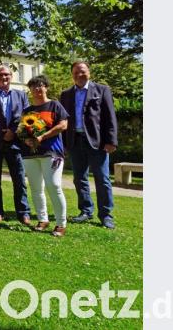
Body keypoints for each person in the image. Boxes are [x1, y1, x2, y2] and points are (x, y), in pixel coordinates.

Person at [60, 61, 118, 229]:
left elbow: (110, 117)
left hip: (97, 143)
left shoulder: (102, 90)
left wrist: (111, 141)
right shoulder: (66, 94)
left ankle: (106, 215)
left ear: (89, 73)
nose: (80, 74)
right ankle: (86, 210)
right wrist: (63, 144)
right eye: (76, 72)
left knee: (103, 179)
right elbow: (63, 120)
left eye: (83, 71)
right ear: (72, 74)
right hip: (75, 141)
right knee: (79, 178)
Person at [0, 64, 32, 225]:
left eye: (7, 75)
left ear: (11, 77)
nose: (4, 78)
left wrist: (13, 132)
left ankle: (23, 213)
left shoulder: (21, 95)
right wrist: (2, 131)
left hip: (15, 143)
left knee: (20, 179)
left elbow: (26, 116)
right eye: (0, 75)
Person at [20, 75, 69, 237]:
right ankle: (43, 219)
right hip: (31, 155)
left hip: (52, 152)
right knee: (36, 188)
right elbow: (21, 130)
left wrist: (43, 136)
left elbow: (63, 125)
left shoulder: (55, 105)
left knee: (53, 186)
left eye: (40, 86)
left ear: (46, 87)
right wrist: (26, 139)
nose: (37, 89)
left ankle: (61, 223)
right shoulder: (27, 111)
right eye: (33, 87)